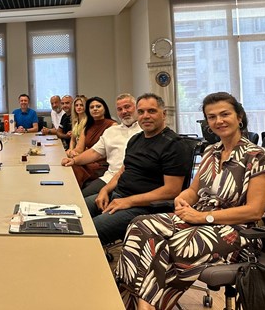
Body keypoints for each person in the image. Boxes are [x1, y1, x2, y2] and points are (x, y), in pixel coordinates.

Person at [116, 92, 265, 310]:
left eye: (224, 114)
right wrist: (182, 199)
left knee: (168, 245)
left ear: (239, 117)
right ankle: (138, 304)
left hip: (238, 230)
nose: (218, 121)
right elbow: (193, 190)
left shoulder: (258, 156)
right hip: (199, 220)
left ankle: (145, 306)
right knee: (139, 225)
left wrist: (203, 217)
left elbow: (254, 211)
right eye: (212, 117)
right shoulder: (211, 152)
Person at [85, 93, 192, 246]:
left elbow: (171, 190)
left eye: (152, 111)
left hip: (143, 207)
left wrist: (128, 201)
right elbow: (122, 171)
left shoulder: (174, 145)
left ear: (164, 114)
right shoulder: (135, 139)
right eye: (141, 112)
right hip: (118, 196)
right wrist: (104, 190)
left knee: (89, 232)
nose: (145, 116)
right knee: (76, 212)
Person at [62, 94, 141, 197]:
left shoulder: (144, 131)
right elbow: (94, 152)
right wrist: (73, 160)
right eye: (119, 109)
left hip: (131, 180)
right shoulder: (111, 131)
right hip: (109, 177)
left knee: (86, 201)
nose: (124, 111)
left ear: (137, 107)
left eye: (127, 107)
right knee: (81, 197)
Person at [68, 96, 117, 188]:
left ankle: (75, 194)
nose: (95, 109)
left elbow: (109, 152)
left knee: (74, 168)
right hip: (87, 161)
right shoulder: (87, 127)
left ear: (105, 109)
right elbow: (79, 149)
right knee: (68, 166)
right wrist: (73, 152)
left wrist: (82, 156)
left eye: (98, 106)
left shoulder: (112, 125)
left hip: (102, 164)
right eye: (91, 107)